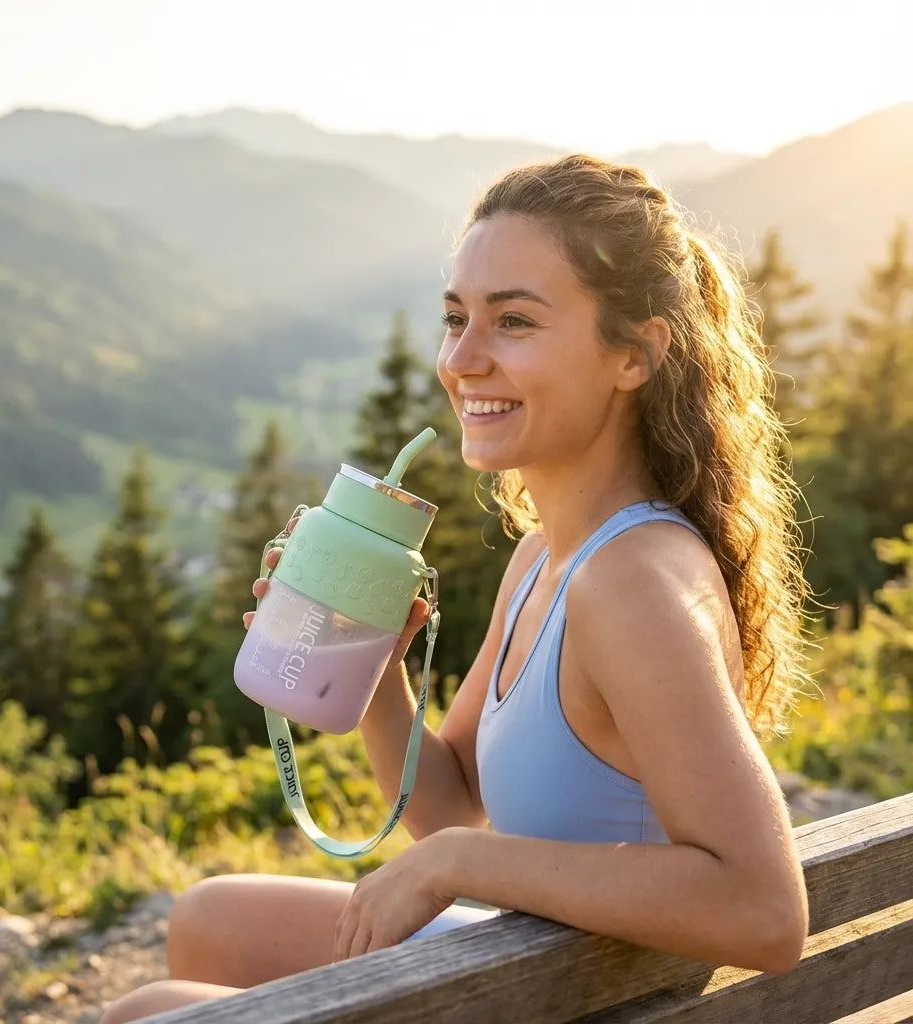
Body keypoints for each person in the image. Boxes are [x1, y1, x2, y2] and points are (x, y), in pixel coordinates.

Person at [101, 154, 811, 1023]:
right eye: (456, 317)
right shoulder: (547, 557)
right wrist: (370, 667)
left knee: (146, 1014)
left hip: (589, 999)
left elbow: (764, 912)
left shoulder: (632, 585)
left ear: (636, 353)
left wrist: (462, 868)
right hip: (549, 973)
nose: (462, 360)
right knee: (210, 922)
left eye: (513, 322)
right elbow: (447, 805)